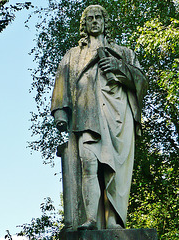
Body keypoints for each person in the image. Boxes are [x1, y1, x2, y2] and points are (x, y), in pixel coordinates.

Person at [51, 5, 148, 230]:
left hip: (117, 117)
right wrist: (60, 113)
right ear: (84, 25)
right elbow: (61, 84)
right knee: (88, 162)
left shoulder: (124, 53)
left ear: (105, 22)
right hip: (87, 115)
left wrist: (119, 68)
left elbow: (141, 82)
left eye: (99, 18)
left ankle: (114, 221)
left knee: (112, 169)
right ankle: (91, 219)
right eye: (90, 18)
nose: (94, 21)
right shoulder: (74, 55)